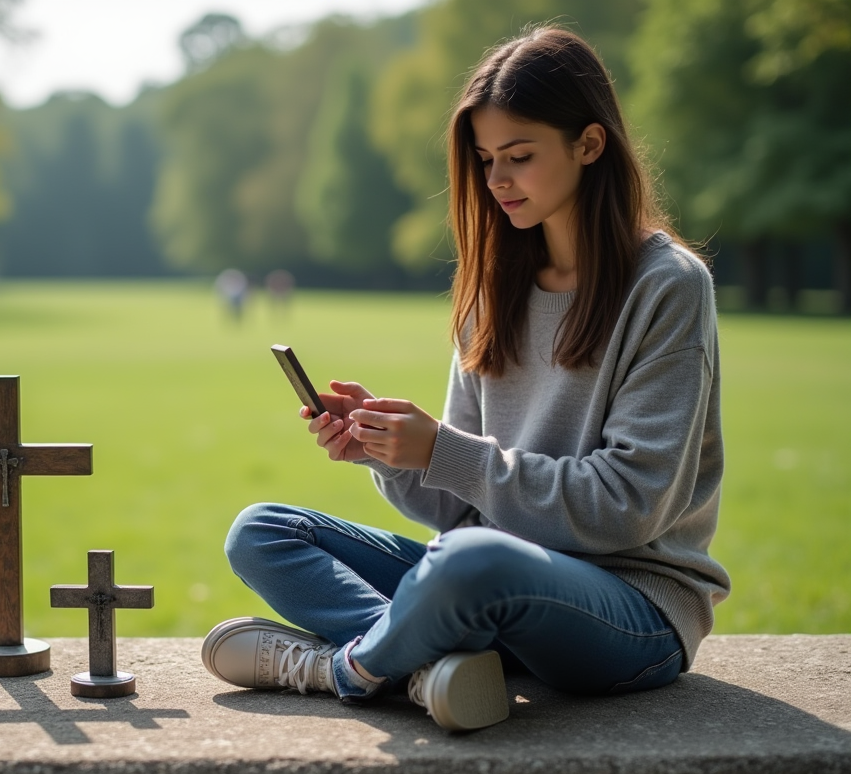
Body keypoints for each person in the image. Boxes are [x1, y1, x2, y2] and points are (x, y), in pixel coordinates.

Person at [200, 25, 729, 733]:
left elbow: (629, 506)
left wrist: (443, 451)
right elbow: (463, 508)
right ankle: (427, 670)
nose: (496, 180)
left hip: (633, 609)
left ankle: (343, 670)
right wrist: (387, 454)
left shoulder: (667, 287)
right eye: (484, 160)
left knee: (470, 562)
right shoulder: (493, 289)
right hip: (492, 582)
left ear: (589, 145)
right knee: (261, 531)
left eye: (519, 156)